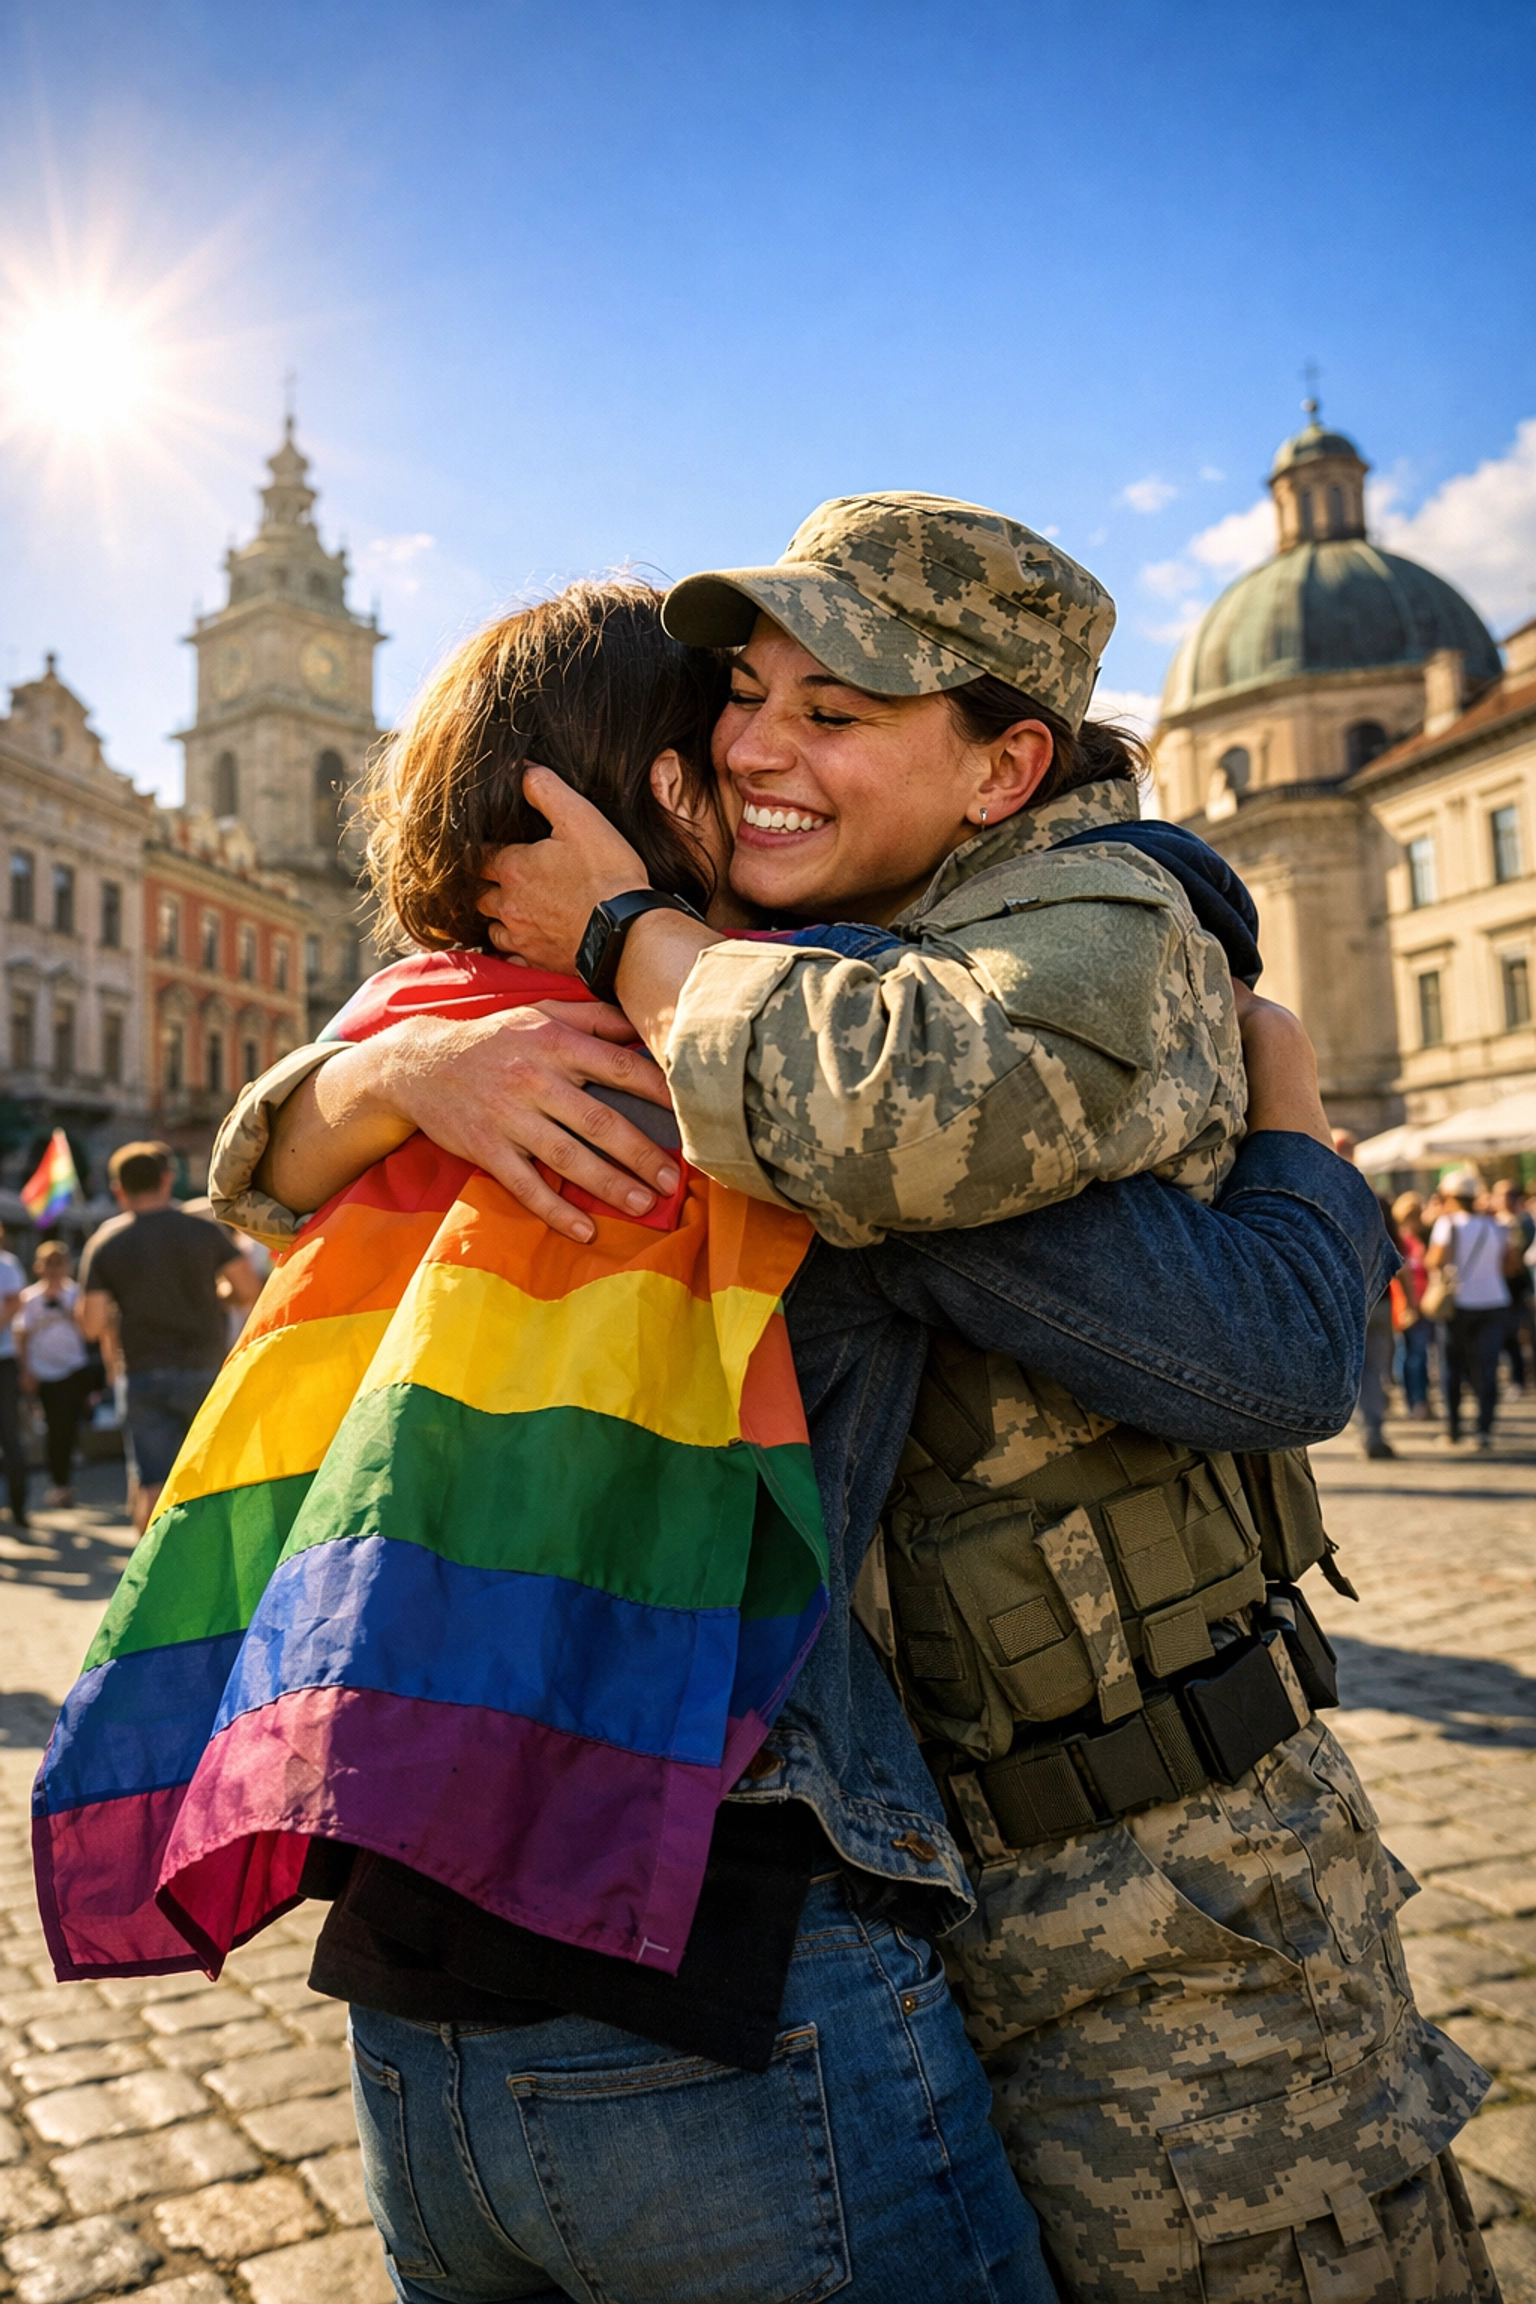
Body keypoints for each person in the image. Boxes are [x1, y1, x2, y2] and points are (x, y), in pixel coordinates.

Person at [213, 507, 1485, 2304]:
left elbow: (1270, 1351)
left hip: (1172, 1911)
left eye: (835, 709)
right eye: (740, 702)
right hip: (872, 1917)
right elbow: (257, 1157)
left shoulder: (972, 988)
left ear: (1002, 766)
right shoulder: (691, 1038)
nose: (753, 750)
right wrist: (392, 1061)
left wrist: (572, 971)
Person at [77, 1142, 261, 1531]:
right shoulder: (203, 1230)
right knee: (213, 1479)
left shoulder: (105, 1243)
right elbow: (248, 1290)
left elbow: (91, 1324)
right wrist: (217, 1298)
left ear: (118, 1190)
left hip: (142, 1372)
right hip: (205, 1370)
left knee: (152, 1487)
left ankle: (149, 1583)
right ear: (166, 1179)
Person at [1428, 1169, 1518, 1451]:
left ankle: (1454, 1428)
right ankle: (1484, 1429)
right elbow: (1511, 1265)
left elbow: (1435, 1261)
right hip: (1494, 1301)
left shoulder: (1447, 1225)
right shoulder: (1497, 1226)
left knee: (1452, 1367)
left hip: (1460, 1303)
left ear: (1452, 1197)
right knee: (1488, 1367)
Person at [15, 1242, 92, 1505]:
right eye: (49, 1263)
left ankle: (64, 1480)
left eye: (59, 1263)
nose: (54, 1269)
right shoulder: (29, 1298)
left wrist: (74, 1314)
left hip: (73, 1368)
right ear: (39, 1267)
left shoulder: (77, 1295)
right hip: (44, 1371)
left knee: (69, 1426)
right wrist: (26, 1371)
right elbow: (21, 1337)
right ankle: (59, 1482)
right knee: (54, 1427)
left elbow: (91, 1330)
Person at [1353, 1193, 1400, 1457]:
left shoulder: (1339, 1206)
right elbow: (1397, 1258)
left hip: (1352, 1302)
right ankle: (1374, 1431)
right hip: (1381, 1300)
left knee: (1360, 1372)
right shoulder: (1382, 1213)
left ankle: (1370, 1432)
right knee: (1374, 1370)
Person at [1392, 1192, 1433, 1420]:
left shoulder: (1423, 1240)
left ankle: (1417, 1400)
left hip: (1423, 1304)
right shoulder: (1398, 1242)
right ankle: (1415, 1400)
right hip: (1405, 1306)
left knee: (1414, 1354)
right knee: (1411, 1355)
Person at [1491, 1178, 1534, 1393]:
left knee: (1516, 1333)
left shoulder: (1523, 1222)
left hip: (1518, 1288)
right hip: (1498, 1287)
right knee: (1506, 1334)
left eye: (1505, 1195)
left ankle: (1519, 1378)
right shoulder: (1491, 1221)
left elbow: (1517, 1260)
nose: (1500, 1199)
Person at [0, 1230, 29, 1530]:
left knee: (10, 1435)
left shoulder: (6, 1265)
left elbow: (13, 1304)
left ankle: (18, 1508)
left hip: (3, 1361)